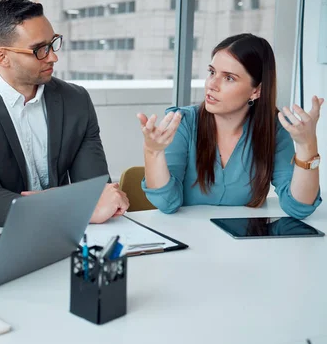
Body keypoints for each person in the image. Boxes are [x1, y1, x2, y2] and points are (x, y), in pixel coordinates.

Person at [0, 0, 129, 227]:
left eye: (53, 43)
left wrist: (66, 203)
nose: (53, 57)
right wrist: (72, 206)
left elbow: (97, 192)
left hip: (67, 236)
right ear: (2, 57)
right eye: (40, 49)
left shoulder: (75, 100)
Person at [137, 33, 322, 218]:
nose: (212, 84)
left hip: (242, 243)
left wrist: (307, 146)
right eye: (212, 72)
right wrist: (153, 152)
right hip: (188, 241)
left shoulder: (274, 129)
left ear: (256, 90)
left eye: (229, 78)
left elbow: (299, 207)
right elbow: (167, 202)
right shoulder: (184, 121)